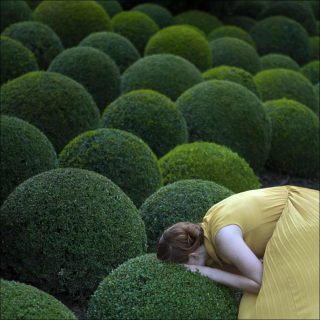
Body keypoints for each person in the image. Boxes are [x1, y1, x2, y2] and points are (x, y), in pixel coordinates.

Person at [157, 185, 319, 319]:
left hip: (303, 217)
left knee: (272, 310)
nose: (188, 272)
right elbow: (244, 277)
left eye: (184, 268)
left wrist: (207, 272)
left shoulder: (223, 238)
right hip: (300, 213)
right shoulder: (208, 233)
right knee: (249, 308)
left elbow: (262, 283)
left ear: (192, 256)